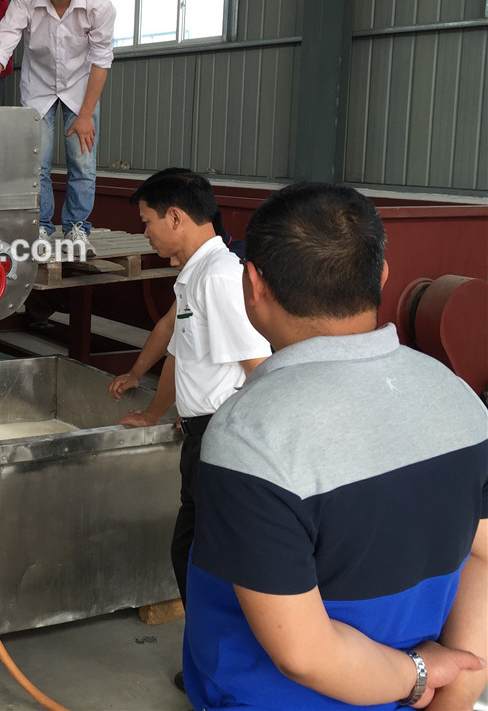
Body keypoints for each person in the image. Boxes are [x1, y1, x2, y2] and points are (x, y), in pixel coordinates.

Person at [184, 182, 488, 710]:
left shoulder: (250, 434)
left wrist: (417, 674)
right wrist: (455, 688)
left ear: (253, 283)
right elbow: (482, 555)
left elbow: (304, 655)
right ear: (382, 275)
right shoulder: (460, 401)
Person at [115, 169, 270, 628]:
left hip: (223, 440)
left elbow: (260, 369)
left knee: (207, 560)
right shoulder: (195, 274)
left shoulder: (220, 277)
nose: (145, 233)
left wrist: (252, 447)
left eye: (147, 222)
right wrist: (154, 412)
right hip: (202, 437)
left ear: (176, 218)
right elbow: (181, 355)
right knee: (191, 553)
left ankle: (220, 652)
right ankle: (209, 648)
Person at [0, 0, 115, 256]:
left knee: (83, 163)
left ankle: (77, 229)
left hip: (81, 88)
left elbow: (101, 62)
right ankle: (42, 227)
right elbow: (1, 48)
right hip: (39, 87)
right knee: (37, 163)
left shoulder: (99, 5)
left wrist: (86, 115)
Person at [109, 203, 245, 400]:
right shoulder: (197, 269)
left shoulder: (224, 272)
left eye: (148, 223)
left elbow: (254, 358)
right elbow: (171, 326)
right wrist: (135, 375)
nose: (146, 234)